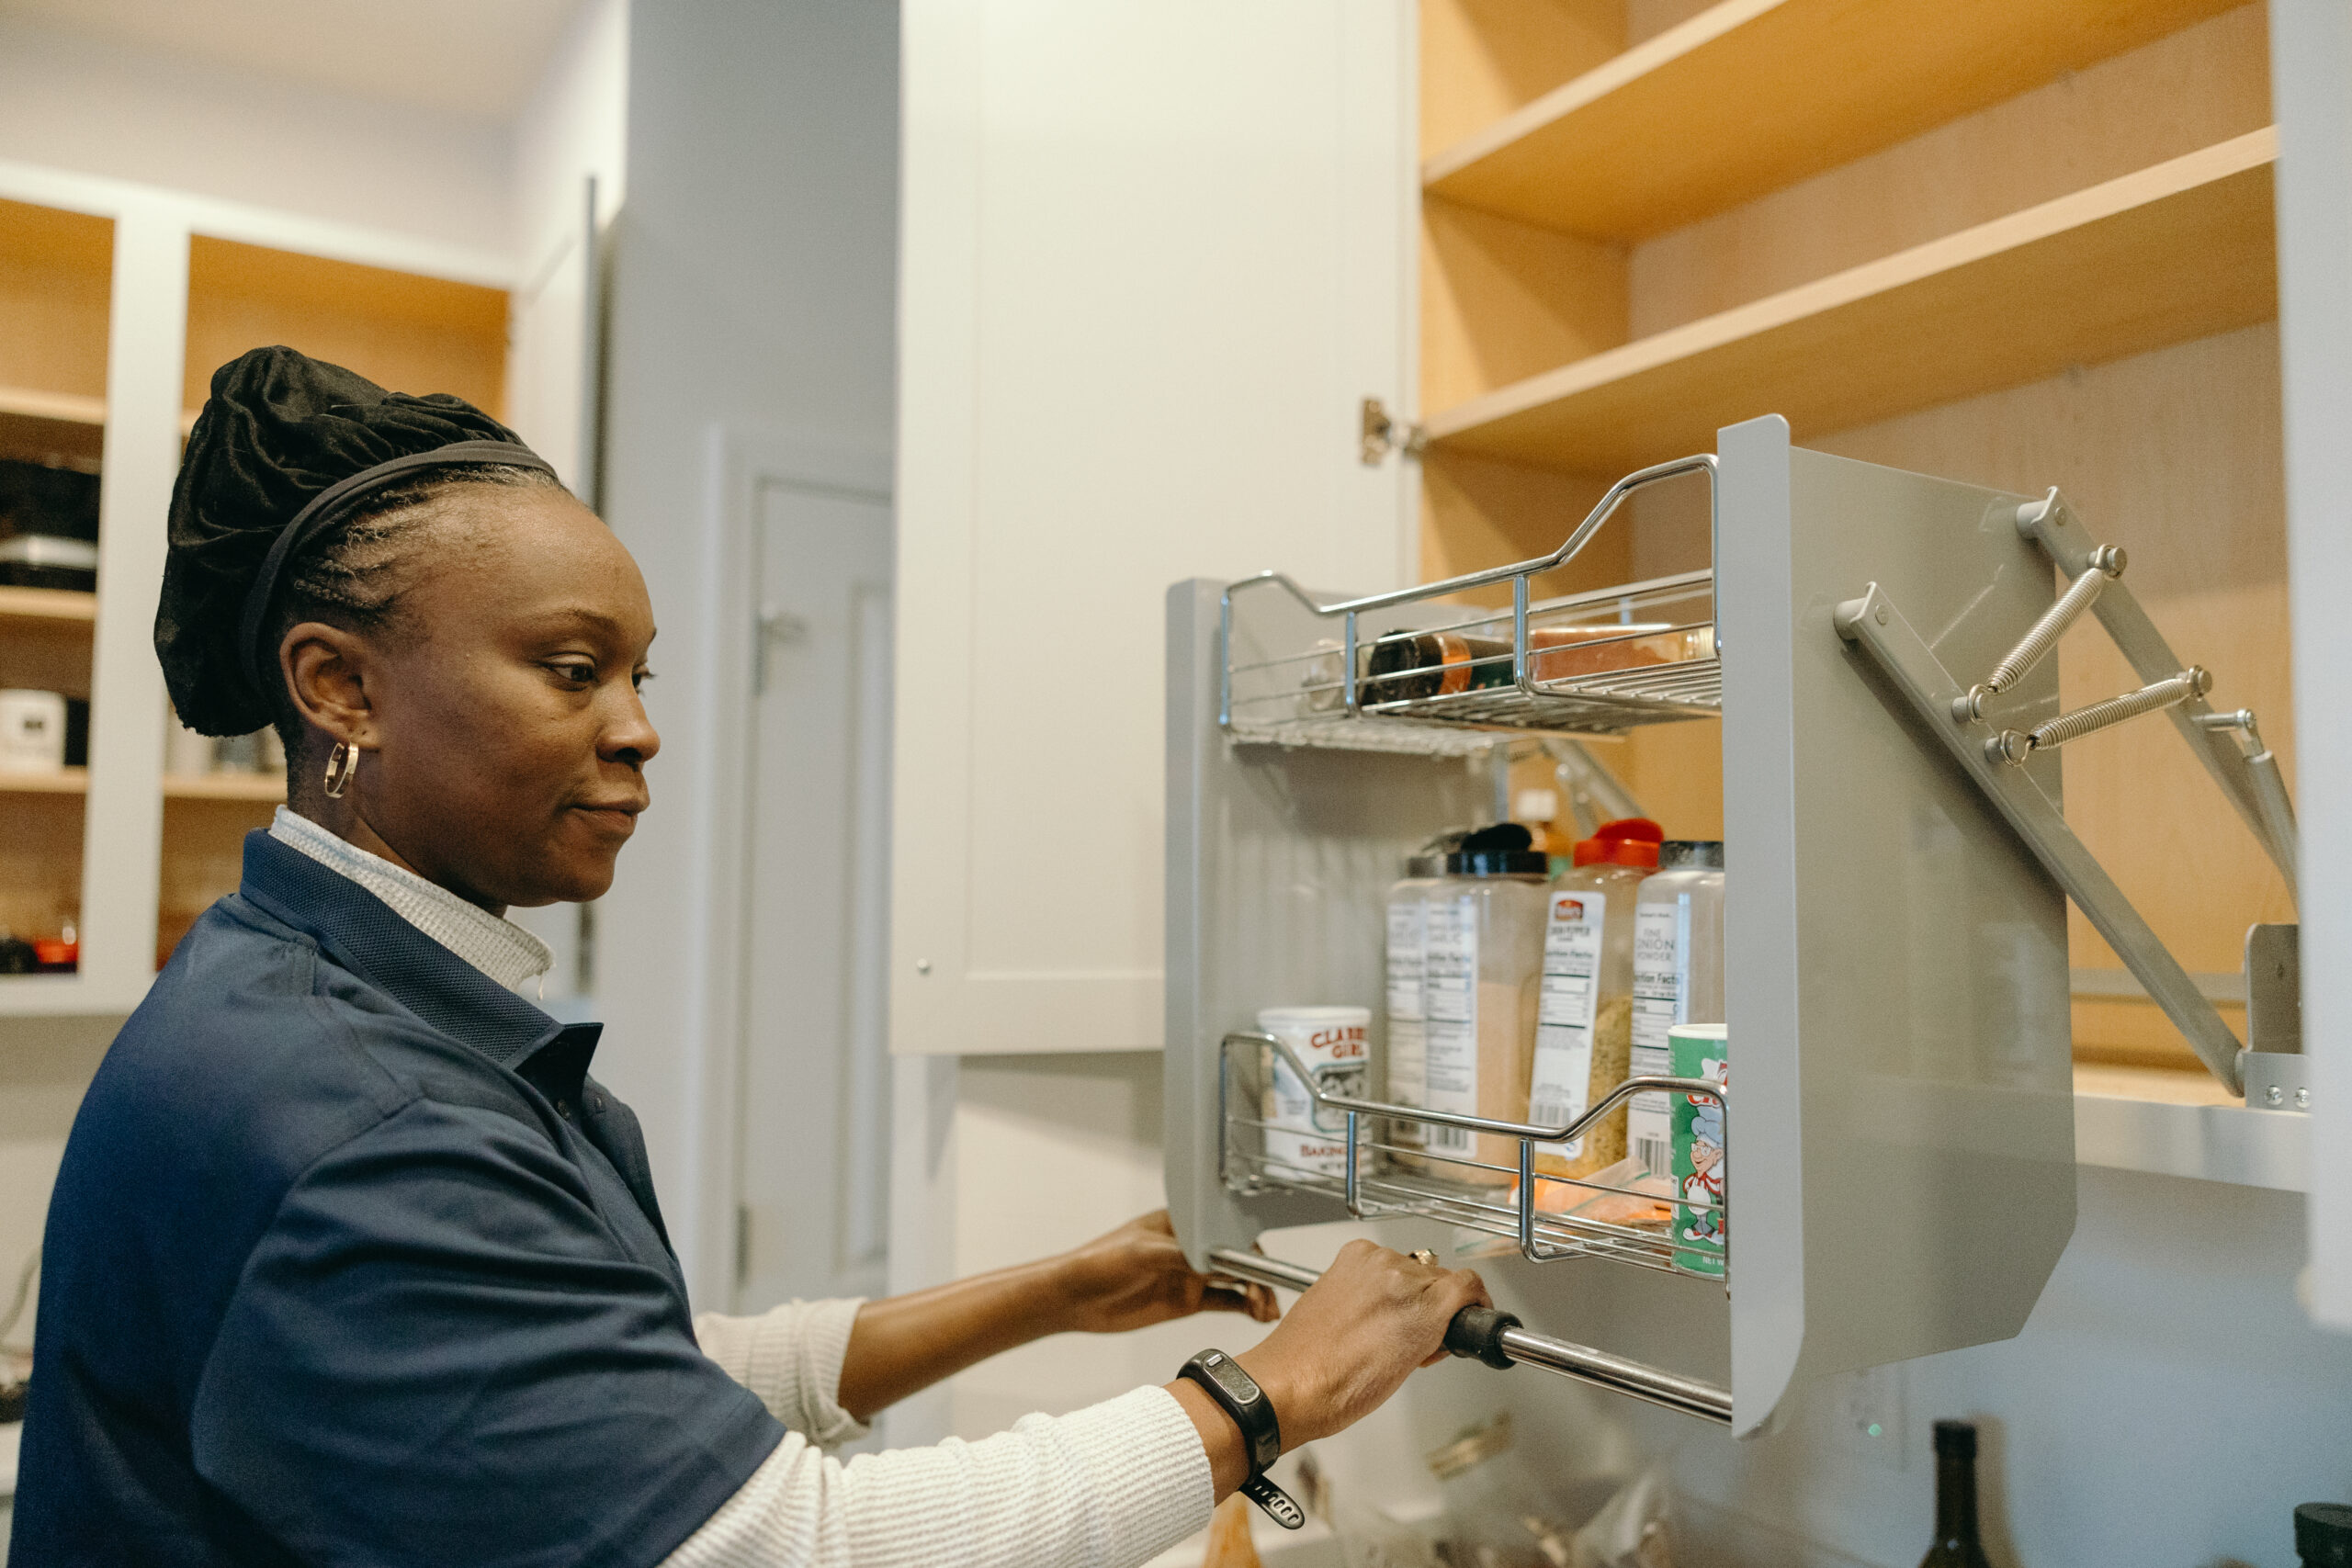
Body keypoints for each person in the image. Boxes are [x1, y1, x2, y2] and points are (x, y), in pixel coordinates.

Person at [10, 346, 1490, 1568]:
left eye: (639, 675)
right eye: (572, 668)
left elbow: (618, 1394)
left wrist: (1056, 1291)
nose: (642, 724)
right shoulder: (352, 1121)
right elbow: (789, 1549)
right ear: (341, 687)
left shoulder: (314, 998)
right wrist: (1273, 1391)